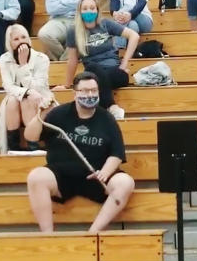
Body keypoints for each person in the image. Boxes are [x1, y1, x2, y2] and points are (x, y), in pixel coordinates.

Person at [24, 71, 135, 233]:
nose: (90, 94)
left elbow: (117, 153)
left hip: (95, 177)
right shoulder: (58, 113)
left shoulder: (107, 119)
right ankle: (47, 235)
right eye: (85, 91)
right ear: (74, 93)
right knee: (36, 177)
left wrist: (104, 173)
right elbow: (31, 136)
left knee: (125, 182)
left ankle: (93, 233)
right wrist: (41, 114)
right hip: (61, 176)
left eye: (94, 90)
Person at [64, 0, 139, 120]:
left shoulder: (105, 24)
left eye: (92, 8)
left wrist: (124, 64)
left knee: (94, 81)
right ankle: (112, 107)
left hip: (115, 71)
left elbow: (134, 36)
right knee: (93, 68)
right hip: (93, 74)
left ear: (97, 10)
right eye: (85, 8)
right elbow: (73, 60)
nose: (89, 11)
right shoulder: (73, 31)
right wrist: (67, 84)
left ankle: (107, 108)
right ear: (80, 11)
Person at [0, 24, 55, 153]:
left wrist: (23, 65)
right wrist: (27, 92)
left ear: (29, 39)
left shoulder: (42, 58)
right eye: (16, 39)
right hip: (15, 101)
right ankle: (13, 147)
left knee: (26, 100)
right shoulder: (4, 59)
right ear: (10, 43)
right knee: (13, 100)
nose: (21, 41)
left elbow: (39, 87)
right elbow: (8, 86)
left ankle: (32, 144)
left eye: (23, 37)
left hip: (41, 98)